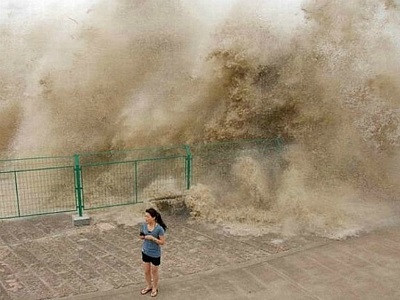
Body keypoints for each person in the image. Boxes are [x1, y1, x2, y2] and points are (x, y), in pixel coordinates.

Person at [139, 207, 167, 297]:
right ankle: (149, 286)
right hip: (145, 251)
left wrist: (153, 238)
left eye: (147, 216)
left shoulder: (159, 229)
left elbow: (162, 242)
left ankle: (155, 288)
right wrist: (143, 237)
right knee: (146, 271)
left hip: (155, 253)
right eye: (145, 216)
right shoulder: (143, 225)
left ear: (154, 217)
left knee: (154, 271)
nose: (146, 218)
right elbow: (141, 236)